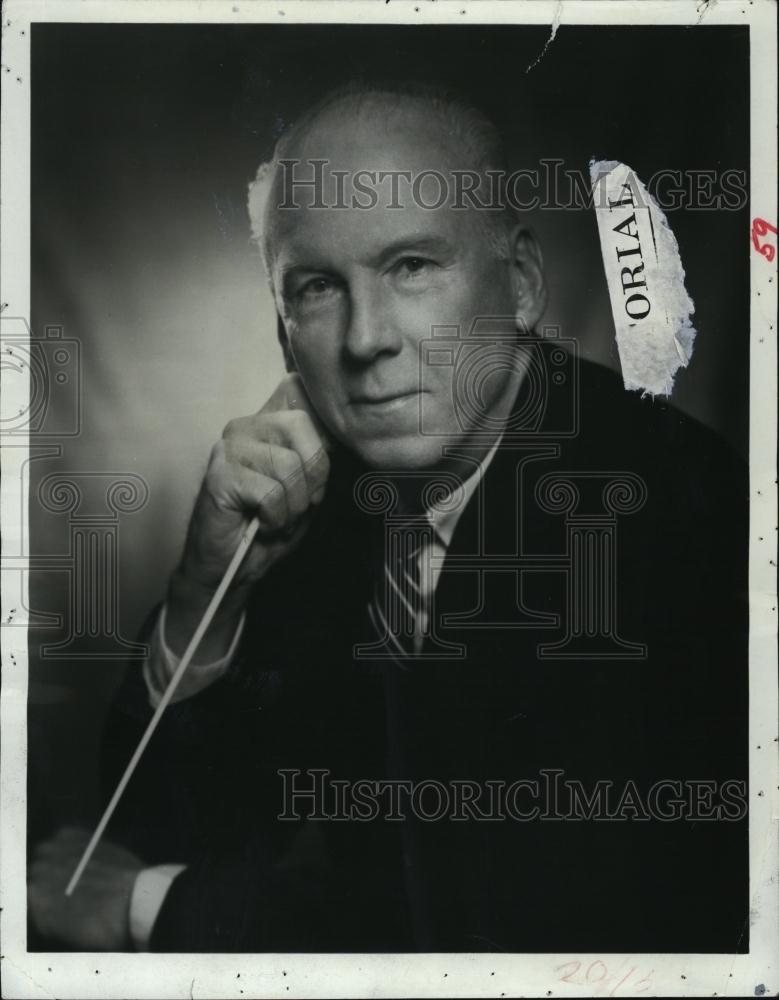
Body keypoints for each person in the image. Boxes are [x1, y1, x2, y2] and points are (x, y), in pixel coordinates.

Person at [28, 81, 749, 953]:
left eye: (411, 266)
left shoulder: (678, 514)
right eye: (321, 287)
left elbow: (514, 938)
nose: (366, 338)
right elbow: (147, 824)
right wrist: (207, 587)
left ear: (519, 286)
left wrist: (150, 906)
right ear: (285, 330)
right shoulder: (326, 499)